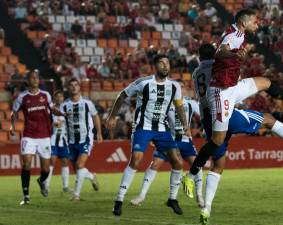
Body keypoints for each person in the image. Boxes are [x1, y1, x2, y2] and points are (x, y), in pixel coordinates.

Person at [189, 43, 283, 225]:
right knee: (268, 117)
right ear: (215, 54)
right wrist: (237, 54)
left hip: (209, 119)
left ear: (199, 56)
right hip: (225, 110)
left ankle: (207, 208)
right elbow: (227, 72)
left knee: (218, 165)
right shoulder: (217, 66)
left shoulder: (196, 73)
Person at [106, 55, 190, 216]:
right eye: (161, 63)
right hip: (142, 127)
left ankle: (172, 199)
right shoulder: (143, 82)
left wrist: (185, 125)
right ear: (155, 66)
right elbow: (122, 95)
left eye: (167, 63)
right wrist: (112, 116)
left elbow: (179, 106)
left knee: (177, 162)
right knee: (136, 160)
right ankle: (119, 200)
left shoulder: (174, 86)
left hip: (162, 129)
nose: (165, 66)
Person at [130, 80, 204, 208]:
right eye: (177, 87)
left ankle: (199, 195)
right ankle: (141, 196)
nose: (179, 89)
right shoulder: (166, 103)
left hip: (186, 141)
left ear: (185, 89)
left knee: (196, 164)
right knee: (156, 163)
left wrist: (201, 129)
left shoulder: (191, 103)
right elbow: (156, 119)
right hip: (169, 140)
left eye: (182, 87)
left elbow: (204, 116)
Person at [10, 70, 63, 205]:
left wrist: (62, 113)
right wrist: (12, 126)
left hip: (44, 135)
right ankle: (26, 195)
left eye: (36, 78)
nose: (35, 80)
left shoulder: (45, 95)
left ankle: (41, 180)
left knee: (45, 169)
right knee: (26, 163)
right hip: (29, 135)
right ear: (28, 81)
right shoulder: (22, 97)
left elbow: (52, 109)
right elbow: (14, 112)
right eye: (32, 78)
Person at [61, 78, 102, 201]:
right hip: (71, 141)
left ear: (79, 87)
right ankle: (91, 176)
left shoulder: (87, 103)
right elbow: (60, 120)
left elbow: (95, 116)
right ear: (68, 88)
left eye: (76, 85)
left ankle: (76, 195)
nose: (74, 87)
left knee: (79, 164)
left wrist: (98, 132)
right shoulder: (64, 105)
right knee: (78, 169)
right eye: (71, 85)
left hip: (86, 139)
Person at [45, 90, 71, 193]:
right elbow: (45, 123)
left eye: (61, 96)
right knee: (52, 161)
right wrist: (52, 125)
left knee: (65, 162)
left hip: (63, 140)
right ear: (54, 98)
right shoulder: (50, 110)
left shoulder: (67, 108)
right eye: (57, 96)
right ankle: (46, 186)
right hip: (52, 139)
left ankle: (65, 186)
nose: (59, 98)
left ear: (63, 98)